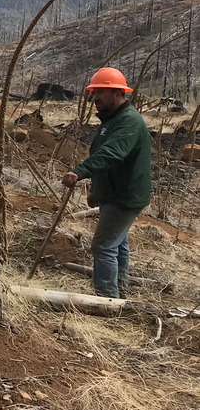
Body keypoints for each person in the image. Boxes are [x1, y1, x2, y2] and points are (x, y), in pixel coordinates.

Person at [60, 67, 151, 298]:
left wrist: (79, 171)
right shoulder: (111, 120)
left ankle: (107, 298)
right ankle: (119, 289)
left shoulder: (128, 121)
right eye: (93, 93)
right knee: (118, 243)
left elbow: (111, 153)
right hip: (114, 192)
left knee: (103, 246)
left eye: (101, 92)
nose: (95, 98)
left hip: (125, 196)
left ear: (118, 93)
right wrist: (96, 191)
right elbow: (104, 157)